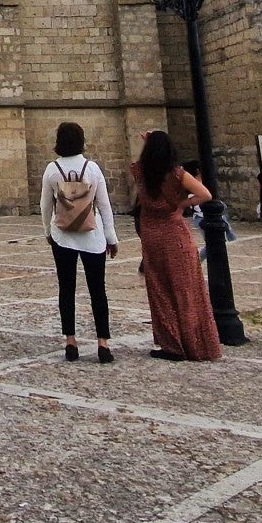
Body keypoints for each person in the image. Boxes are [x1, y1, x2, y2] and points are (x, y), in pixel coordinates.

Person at [129, 130, 222, 361]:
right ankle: (195, 344)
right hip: (174, 233)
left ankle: (171, 344)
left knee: (159, 290)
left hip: (151, 236)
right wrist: (182, 204)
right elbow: (205, 194)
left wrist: (148, 143)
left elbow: (142, 164)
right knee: (186, 289)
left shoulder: (140, 172)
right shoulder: (177, 174)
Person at [40, 122, 119, 364]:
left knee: (66, 288)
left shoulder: (52, 169)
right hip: (92, 237)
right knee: (98, 290)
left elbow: (45, 205)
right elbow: (104, 205)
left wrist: (48, 231)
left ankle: (71, 342)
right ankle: (103, 344)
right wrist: (111, 238)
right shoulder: (92, 169)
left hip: (62, 236)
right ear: (81, 141)